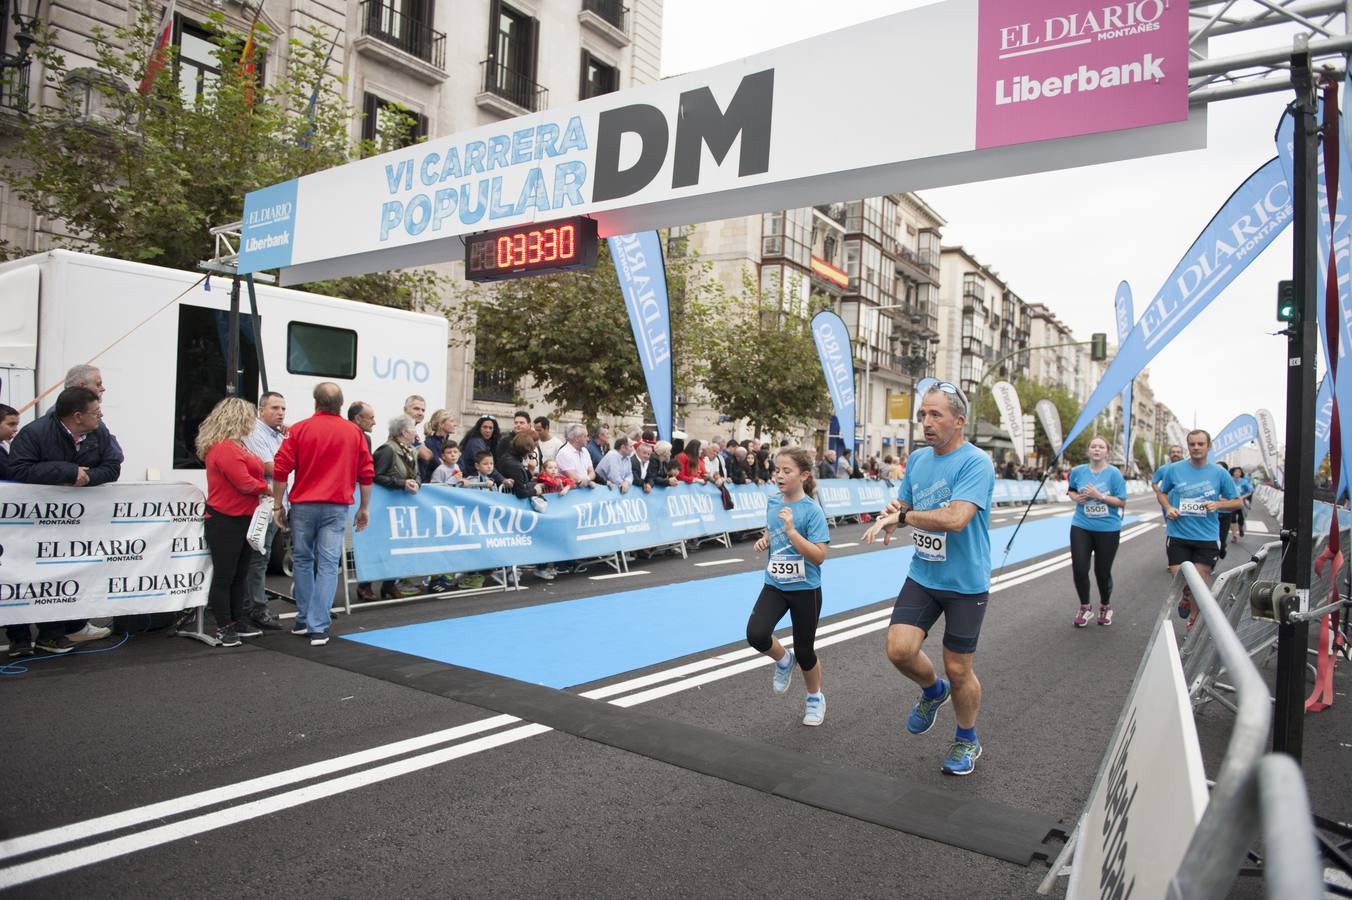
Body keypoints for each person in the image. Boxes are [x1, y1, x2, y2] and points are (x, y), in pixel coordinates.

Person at [862, 382, 994, 776]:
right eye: (923, 414)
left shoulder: (976, 463)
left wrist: (902, 518)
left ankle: (967, 739)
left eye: (936, 414)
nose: (926, 422)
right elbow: (907, 502)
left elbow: (955, 519)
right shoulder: (918, 461)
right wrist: (895, 509)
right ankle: (932, 692)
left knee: (958, 669)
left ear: (959, 420)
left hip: (965, 582)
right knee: (899, 650)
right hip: (923, 572)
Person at [7, 386, 121, 655]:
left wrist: (88, 477)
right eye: (96, 412)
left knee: (63, 575)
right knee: (25, 575)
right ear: (78, 416)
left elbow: (113, 466)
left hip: (76, 524)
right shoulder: (34, 433)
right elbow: (18, 469)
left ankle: (52, 635)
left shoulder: (99, 432)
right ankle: (19, 638)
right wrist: (69, 471)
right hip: (32, 525)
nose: (101, 415)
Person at [272, 383, 373, 647]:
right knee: (328, 564)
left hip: (304, 504)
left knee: (303, 560)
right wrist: (364, 507)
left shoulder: (300, 429)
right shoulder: (354, 432)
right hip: (336, 505)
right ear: (341, 404)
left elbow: (281, 469)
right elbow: (366, 473)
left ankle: (304, 618)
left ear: (316, 402)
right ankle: (318, 625)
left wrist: (277, 505)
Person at [747, 447, 831, 726]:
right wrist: (766, 539)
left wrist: (793, 532)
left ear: (803, 475)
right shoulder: (773, 502)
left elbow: (819, 556)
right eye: (777, 470)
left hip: (806, 588)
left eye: (786, 471)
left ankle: (814, 698)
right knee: (756, 635)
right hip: (776, 583)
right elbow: (772, 529)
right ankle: (783, 660)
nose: (779, 475)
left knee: (806, 651)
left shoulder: (812, 511)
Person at [197, 398, 272, 646]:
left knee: (239, 574)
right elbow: (244, 483)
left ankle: (236, 620)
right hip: (225, 519)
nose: (253, 422)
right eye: (250, 417)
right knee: (225, 575)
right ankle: (223, 625)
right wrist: (268, 489)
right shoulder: (225, 447)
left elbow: (257, 470)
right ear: (238, 418)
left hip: (242, 518)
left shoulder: (238, 445)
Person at [1155, 430, 1242, 623]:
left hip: (1207, 537)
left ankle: (1193, 623)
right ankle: (1186, 595)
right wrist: (1168, 506)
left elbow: (1237, 503)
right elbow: (1161, 493)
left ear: (1208, 446)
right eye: (1192, 444)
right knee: (1179, 577)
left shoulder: (1219, 473)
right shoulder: (1174, 469)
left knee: (1200, 584)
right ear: (1188, 446)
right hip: (1178, 533)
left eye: (1200, 444)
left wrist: (1218, 505)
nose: (1196, 448)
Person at [1066, 436, 1128, 627]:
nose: (1096, 449)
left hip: (1107, 528)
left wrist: (1099, 496)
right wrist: (1077, 498)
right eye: (1093, 446)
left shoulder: (1114, 474)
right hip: (1081, 525)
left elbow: (1122, 501)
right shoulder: (1077, 471)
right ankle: (1085, 607)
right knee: (1079, 567)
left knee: (1102, 572)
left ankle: (1105, 605)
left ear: (1106, 452)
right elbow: (1071, 490)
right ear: (1088, 451)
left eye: (1101, 447)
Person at [240, 391, 286, 631]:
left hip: (275, 502)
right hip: (262, 505)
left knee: (262, 557)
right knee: (258, 557)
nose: (280, 413)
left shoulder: (277, 435)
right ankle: (256, 608)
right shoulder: (255, 433)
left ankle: (254, 606)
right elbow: (271, 466)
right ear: (261, 409)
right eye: (275, 408)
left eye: (283, 409)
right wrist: (291, 459)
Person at [373, 415, 422, 600]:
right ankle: (365, 585)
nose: (415, 432)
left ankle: (389, 584)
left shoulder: (411, 451)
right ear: (404, 432)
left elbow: (417, 474)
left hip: (402, 508)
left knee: (399, 547)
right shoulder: (387, 450)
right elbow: (376, 476)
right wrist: (401, 483)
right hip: (385, 507)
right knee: (382, 547)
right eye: (413, 429)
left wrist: (416, 483)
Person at [422, 409, 458, 482]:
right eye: (451, 421)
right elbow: (438, 465)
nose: (455, 424)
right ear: (441, 424)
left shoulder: (449, 442)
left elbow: (460, 465)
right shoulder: (430, 443)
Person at [1229, 466, 1253, 539]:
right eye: (1235, 471)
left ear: (1241, 473)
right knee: (1232, 518)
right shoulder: (1229, 480)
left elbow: (1250, 491)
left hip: (1241, 502)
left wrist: (1242, 497)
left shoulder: (1244, 481)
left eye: (1239, 472)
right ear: (1232, 472)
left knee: (1241, 519)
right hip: (1232, 502)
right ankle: (1234, 535)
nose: (1237, 473)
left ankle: (1240, 529)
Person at [0, 403, 17, 480]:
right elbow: (11, 474)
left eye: (16, 425)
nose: (15, 429)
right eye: (11, 424)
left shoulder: (4, 444)